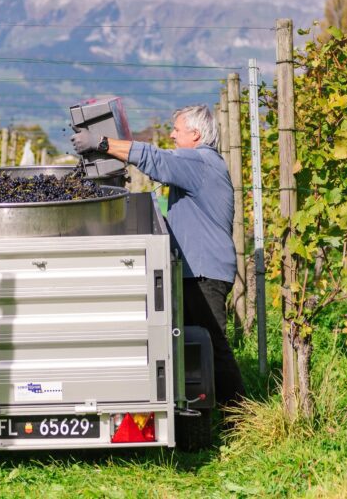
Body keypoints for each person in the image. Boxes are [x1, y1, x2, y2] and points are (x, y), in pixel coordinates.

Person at [70, 105, 246, 407]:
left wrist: (102, 144)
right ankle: (203, 409)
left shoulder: (198, 161)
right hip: (200, 269)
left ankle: (240, 416)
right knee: (196, 344)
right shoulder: (202, 164)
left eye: (177, 130)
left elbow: (154, 158)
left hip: (204, 271)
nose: (173, 135)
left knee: (212, 345)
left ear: (196, 133)